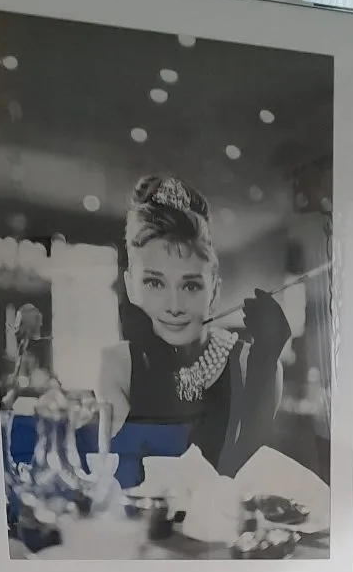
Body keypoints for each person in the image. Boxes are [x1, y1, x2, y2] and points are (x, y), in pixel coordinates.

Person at [98, 174, 291, 485]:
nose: (174, 306)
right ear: (131, 287)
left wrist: (264, 371)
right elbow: (122, 479)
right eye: (155, 283)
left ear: (214, 292)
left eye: (190, 285)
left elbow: (251, 482)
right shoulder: (118, 365)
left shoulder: (252, 365)